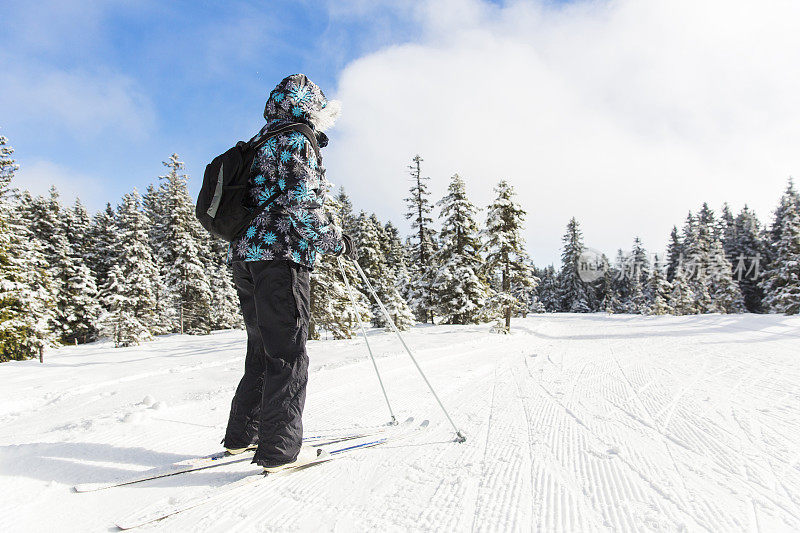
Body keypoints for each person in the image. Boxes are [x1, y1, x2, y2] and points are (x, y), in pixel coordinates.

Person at [222, 73, 357, 472]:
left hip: (244, 256)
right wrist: (335, 241)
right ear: (309, 106)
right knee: (288, 353)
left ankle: (241, 437)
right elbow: (303, 202)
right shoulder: (297, 140)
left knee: (262, 348)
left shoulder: (261, 140)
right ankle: (278, 450)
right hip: (280, 259)